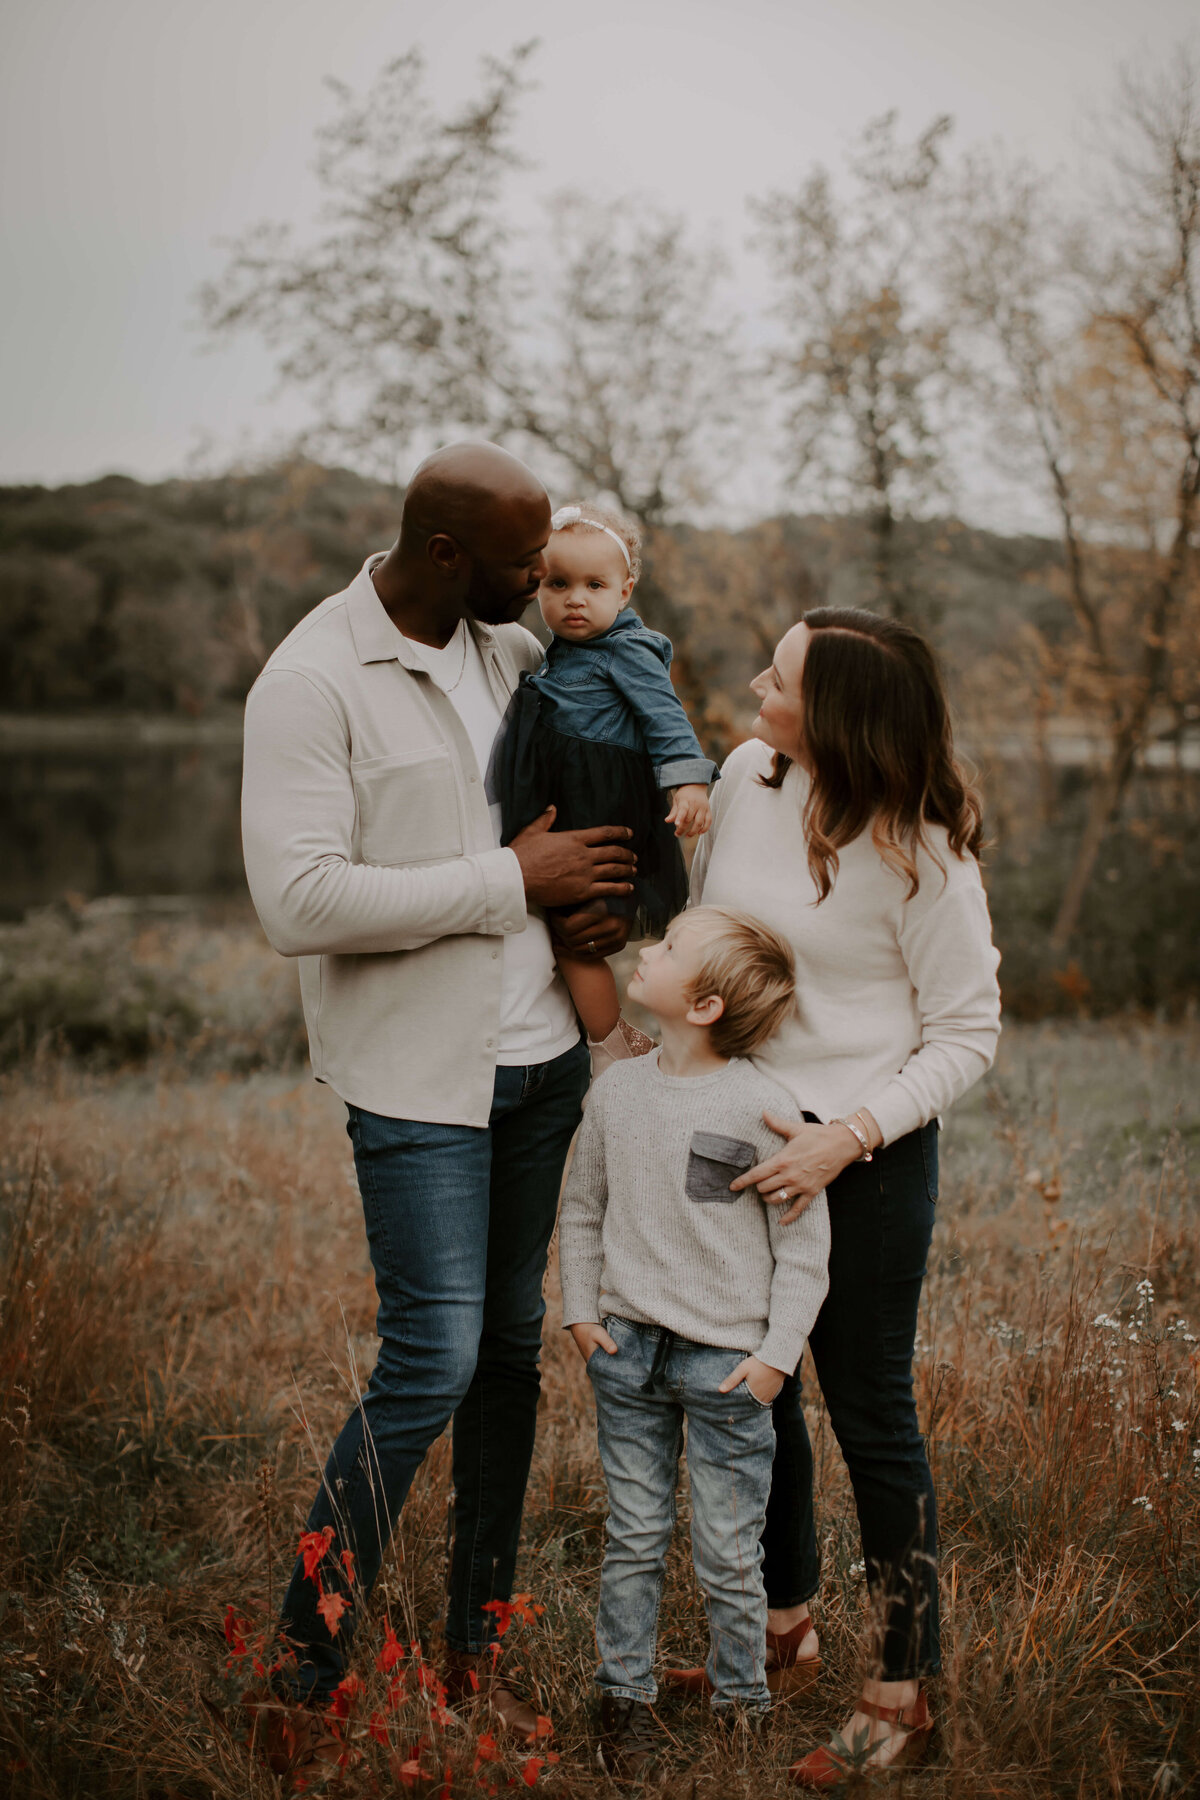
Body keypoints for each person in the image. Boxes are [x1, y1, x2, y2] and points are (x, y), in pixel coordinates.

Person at [239, 442, 639, 1775]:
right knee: (432, 1361)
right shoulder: (310, 680)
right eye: (528, 567)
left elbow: (573, 803)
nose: (548, 587)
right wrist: (507, 879)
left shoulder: (512, 655)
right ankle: (308, 1652)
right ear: (447, 555)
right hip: (417, 1085)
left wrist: (592, 893)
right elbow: (299, 903)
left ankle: (477, 1649)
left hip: (543, 1075)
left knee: (511, 1362)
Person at [674, 607, 1002, 1785]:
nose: (759, 680)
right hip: (734, 1141)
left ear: (845, 720)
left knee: (868, 1415)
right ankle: (781, 1628)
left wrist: (848, 1138)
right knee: (742, 1393)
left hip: (862, 1155)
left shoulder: (926, 852)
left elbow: (969, 1034)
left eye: (785, 675)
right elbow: (713, 938)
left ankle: (903, 1697)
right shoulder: (747, 778)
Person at [558, 906, 832, 1781]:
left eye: (669, 948)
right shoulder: (615, 1093)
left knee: (726, 1546)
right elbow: (582, 1207)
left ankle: (741, 1702)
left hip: (726, 1368)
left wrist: (774, 1360)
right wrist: (580, 1312)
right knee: (634, 1535)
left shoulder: (761, 1106)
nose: (647, 947)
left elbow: (804, 1250)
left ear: (705, 1005)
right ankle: (623, 1700)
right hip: (627, 1353)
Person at [487, 502, 718, 1081]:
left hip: (598, 809)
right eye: (557, 584)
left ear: (626, 590)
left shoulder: (627, 650)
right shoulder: (556, 652)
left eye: (595, 585)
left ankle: (610, 1042)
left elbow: (666, 717)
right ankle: (597, 1033)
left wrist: (688, 782)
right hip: (565, 804)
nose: (575, 599)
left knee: (576, 935)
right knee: (554, 925)